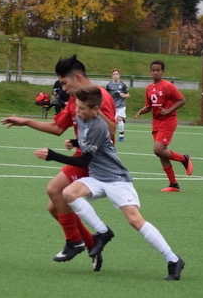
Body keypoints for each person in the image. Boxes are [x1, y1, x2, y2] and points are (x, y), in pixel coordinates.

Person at [34, 85, 185, 280]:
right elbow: (91, 143)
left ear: (95, 110)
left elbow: (84, 161)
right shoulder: (82, 118)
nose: (77, 111)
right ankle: (103, 232)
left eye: (81, 108)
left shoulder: (98, 125)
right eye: (77, 107)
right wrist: (75, 142)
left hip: (116, 179)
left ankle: (173, 259)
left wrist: (52, 155)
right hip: (97, 177)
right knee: (68, 193)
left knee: (135, 220)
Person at [1, 55, 116, 271]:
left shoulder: (100, 96)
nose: (63, 89)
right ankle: (91, 244)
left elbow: (110, 132)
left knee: (54, 189)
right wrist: (26, 121)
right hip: (82, 155)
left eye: (64, 83)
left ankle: (74, 241)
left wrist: (87, 136)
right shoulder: (74, 100)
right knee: (55, 208)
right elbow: (57, 127)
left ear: (78, 78)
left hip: (95, 161)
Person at [134, 60, 193, 192]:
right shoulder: (149, 88)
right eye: (153, 70)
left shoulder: (168, 86)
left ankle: (184, 159)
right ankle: (173, 184)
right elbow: (149, 106)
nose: (155, 72)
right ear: (150, 72)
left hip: (168, 121)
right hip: (156, 122)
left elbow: (182, 100)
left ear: (163, 72)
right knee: (162, 154)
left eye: (158, 70)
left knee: (158, 149)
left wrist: (168, 110)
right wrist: (142, 111)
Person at [105, 68, 130, 141]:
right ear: (111, 76)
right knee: (114, 121)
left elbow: (128, 94)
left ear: (119, 75)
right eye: (114, 74)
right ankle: (110, 136)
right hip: (113, 106)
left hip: (121, 105)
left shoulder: (122, 85)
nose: (115, 76)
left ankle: (121, 136)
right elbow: (105, 94)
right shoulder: (109, 85)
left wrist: (124, 95)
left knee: (119, 119)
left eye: (117, 74)